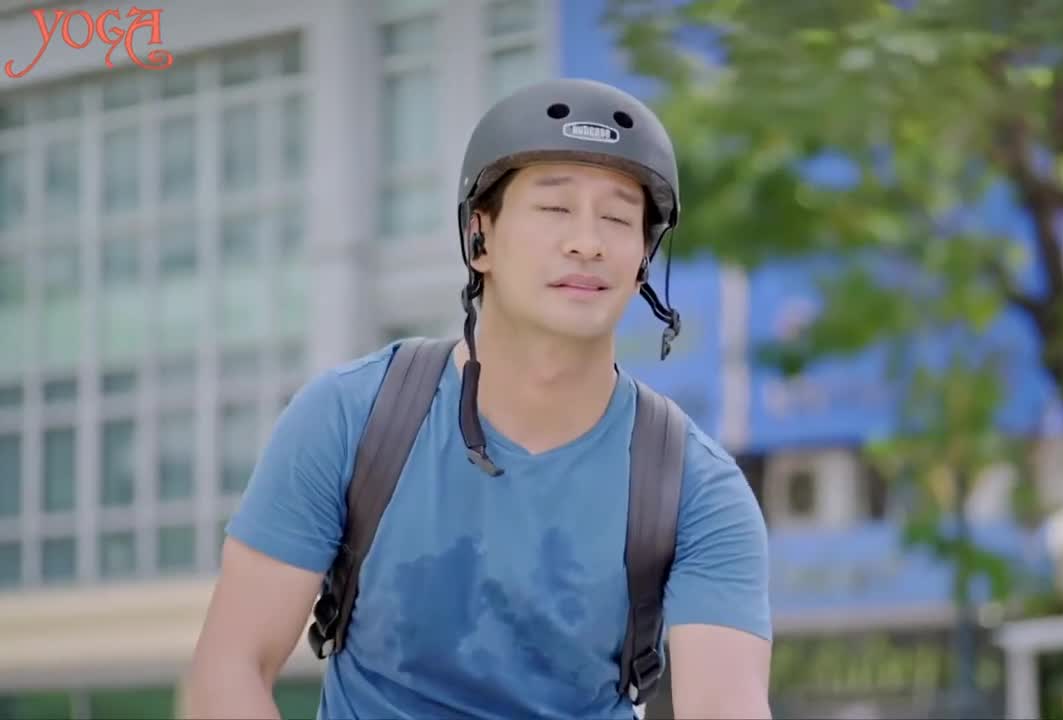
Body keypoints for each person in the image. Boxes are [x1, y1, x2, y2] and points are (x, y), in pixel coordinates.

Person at [183, 77, 772, 720]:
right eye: (554, 208)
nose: (588, 242)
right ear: (479, 236)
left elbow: (725, 706)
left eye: (617, 218)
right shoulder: (350, 416)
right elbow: (229, 670)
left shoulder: (695, 488)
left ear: (643, 260)